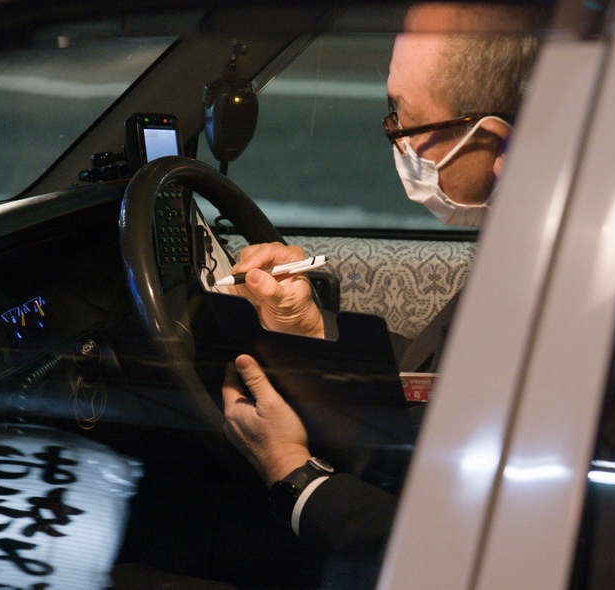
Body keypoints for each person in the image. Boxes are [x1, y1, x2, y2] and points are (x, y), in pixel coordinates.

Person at [219, 1, 543, 580]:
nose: (394, 138)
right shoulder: (525, 248)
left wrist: (294, 473)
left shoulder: (547, 300)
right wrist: (309, 328)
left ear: (490, 142)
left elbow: (460, 549)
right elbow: (441, 376)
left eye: (403, 119)